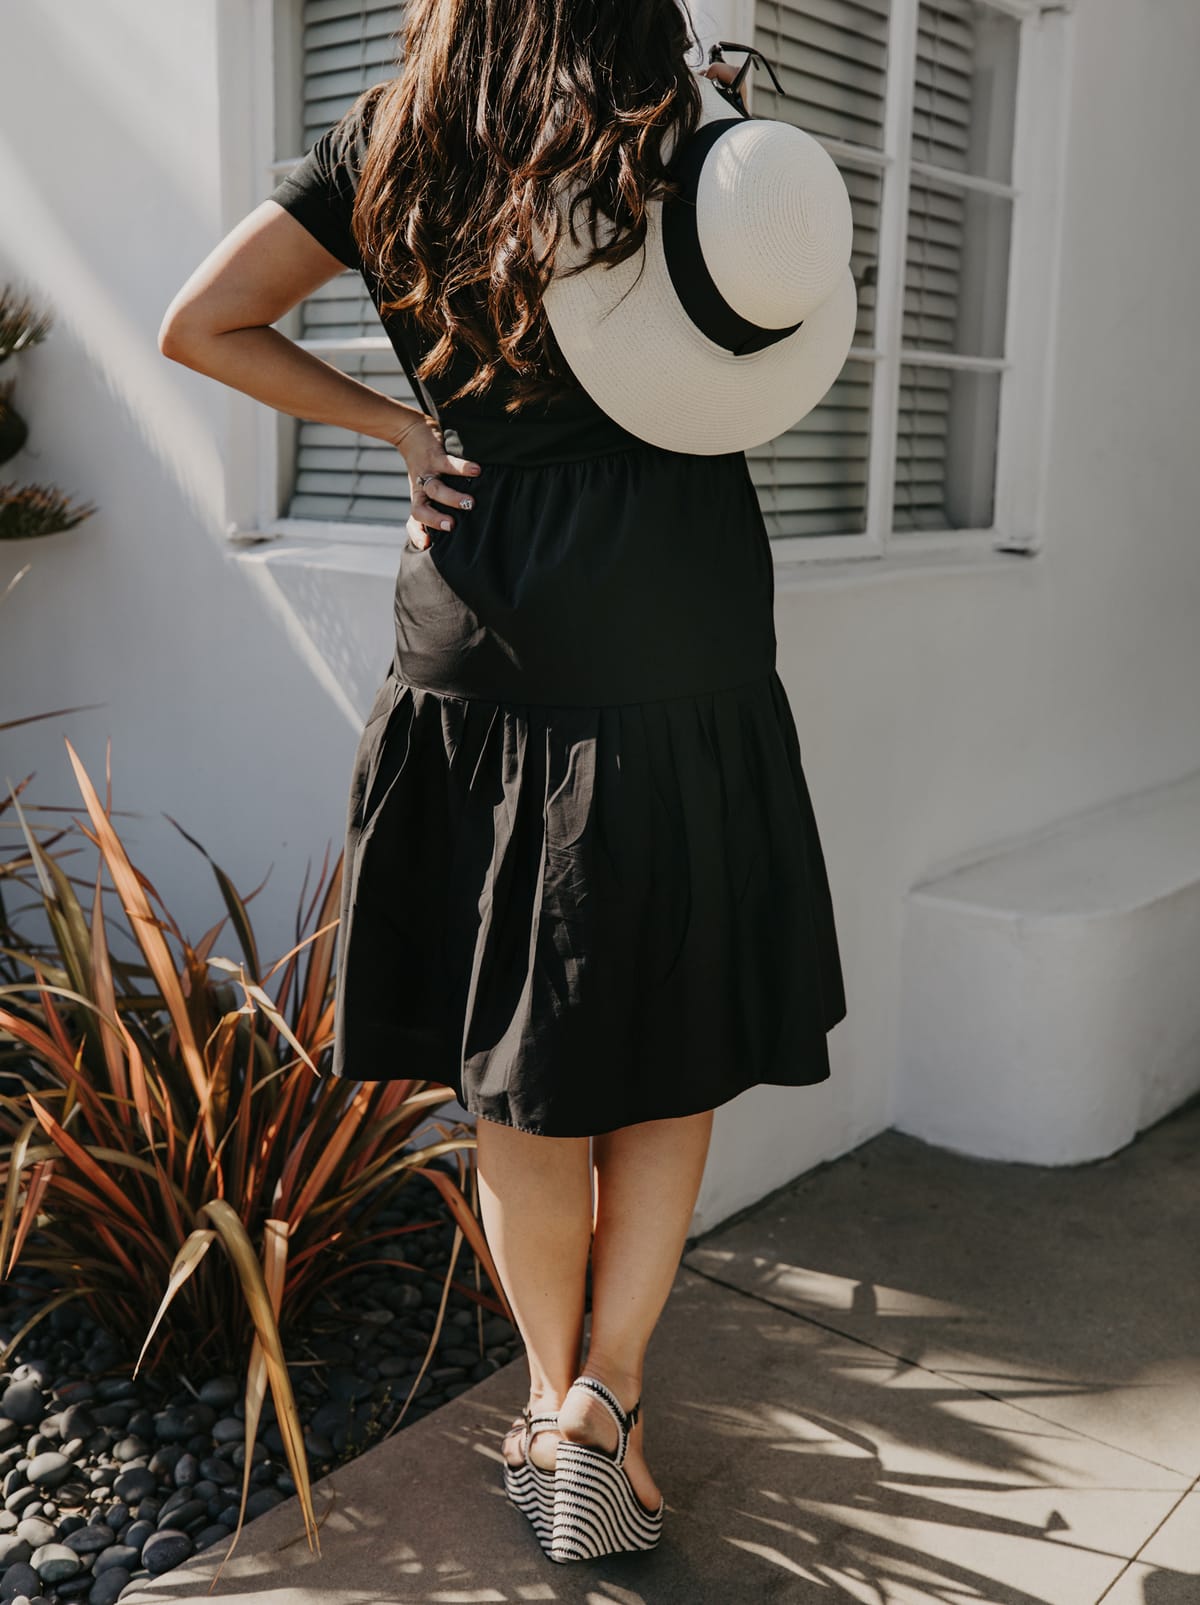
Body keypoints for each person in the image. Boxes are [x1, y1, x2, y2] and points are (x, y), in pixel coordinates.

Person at [159, 0, 849, 1565]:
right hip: (679, 616)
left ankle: (555, 1403)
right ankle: (607, 1402)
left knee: (516, 1056)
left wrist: (401, 431)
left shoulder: (394, 135)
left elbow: (199, 323)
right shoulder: (669, 120)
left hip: (489, 620)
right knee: (664, 1039)